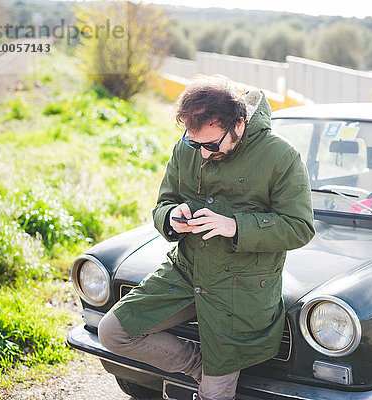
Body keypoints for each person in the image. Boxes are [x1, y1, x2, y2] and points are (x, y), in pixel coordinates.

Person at [98, 76, 315, 400]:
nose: (201, 154)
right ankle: (202, 364)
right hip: (185, 271)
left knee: (214, 393)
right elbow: (163, 204)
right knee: (113, 332)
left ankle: (216, 374)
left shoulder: (281, 156)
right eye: (193, 143)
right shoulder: (189, 148)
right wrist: (171, 218)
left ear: (239, 124)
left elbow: (300, 226)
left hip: (240, 289)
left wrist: (236, 226)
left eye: (211, 145)